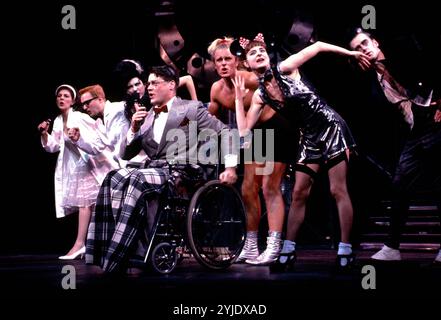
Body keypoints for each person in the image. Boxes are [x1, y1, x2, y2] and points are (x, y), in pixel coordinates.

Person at [85, 65, 238, 273]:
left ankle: (123, 252)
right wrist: (133, 129)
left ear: (172, 85)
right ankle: (106, 251)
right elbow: (125, 154)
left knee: (137, 178)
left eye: (155, 83)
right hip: (155, 172)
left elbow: (228, 133)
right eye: (148, 84)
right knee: (113, 177)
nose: (149, 88)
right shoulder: (147, 116)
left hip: (183, 173)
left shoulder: (191, 109)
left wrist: (230, 167)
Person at [233, 33, 368, 269]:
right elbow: (243, 131)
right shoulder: (259, 96)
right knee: (298, 194)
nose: (259, 54)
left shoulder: (285, 68)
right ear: (247, 64)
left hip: (330, 127)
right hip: (309, 137)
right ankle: (288, 248)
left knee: (337, 189)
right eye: (252, 53)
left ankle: (345, 248)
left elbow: (317, 46)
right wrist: (237, 97)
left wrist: (351, 53)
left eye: (261, 51)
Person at [348, 29, 441, 263]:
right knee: (400, 184)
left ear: (376, 42)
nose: (364, 49)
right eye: (358, 49)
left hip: (435, 118)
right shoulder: (370, 80)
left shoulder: (402, 50)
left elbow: (434, 65)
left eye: (366, 43)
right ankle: (392, 248)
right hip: (416, 130)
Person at [208, 37, 296, 265]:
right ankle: (251, 245)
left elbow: (284, 92)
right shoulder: (216, 91)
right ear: (214, 64)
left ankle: (274, 245)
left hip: (278, 128)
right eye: (219, 60)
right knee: (248, 190)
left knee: (270, 187)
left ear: (237, 61)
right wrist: (229, 165)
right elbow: (224, 130)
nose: (224, 63)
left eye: (228, 58)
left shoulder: (251, 79)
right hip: (255, 136)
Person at [38, 84, 114, 260]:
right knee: (93, 206)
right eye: (59, 96)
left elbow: (97, 138)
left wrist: (79, 138)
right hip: (76, 167)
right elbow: (54, 146)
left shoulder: (79, 117)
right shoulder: (58, 121)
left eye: (66, 96)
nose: (61, 98)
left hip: (93, 164)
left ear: (73, 101)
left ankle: (80, 244)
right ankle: (95, 245)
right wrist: (44, 134)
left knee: (86, 204)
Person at [72, 84, 130, 169]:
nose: (84, 107)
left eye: (87, 103)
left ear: (100, 99)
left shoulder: (116, 110)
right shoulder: (100, 122)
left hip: (136, 164)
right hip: (126, 166)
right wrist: (78, 139)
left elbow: (122, 145)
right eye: (83, 104)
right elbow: (96, 147)